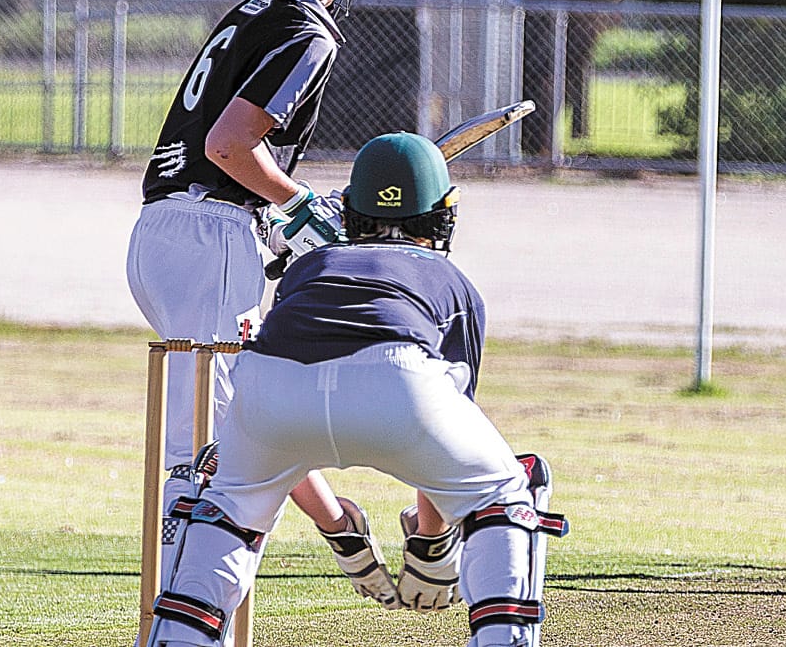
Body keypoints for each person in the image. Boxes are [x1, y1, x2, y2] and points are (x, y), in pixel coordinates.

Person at [141, 132, 567, 646]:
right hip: (398, 379)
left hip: (271, 386)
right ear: (442, 216)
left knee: (228, 508)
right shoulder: (452, 281)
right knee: (506, 492)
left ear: (349, 211)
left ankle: (177, 638)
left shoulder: (307, 269)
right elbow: (444, 433)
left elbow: (291, 423)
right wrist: (431, 546)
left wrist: (340, 530)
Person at [125, 0, 396, 603]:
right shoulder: (310, 30)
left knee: (249, 409)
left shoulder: (248, 12)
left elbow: (214, 148)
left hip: (168, 228)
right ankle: (180, 617)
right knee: (201, 455)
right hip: (206, 235)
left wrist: (272, 213)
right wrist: (298, 202)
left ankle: (338, 522)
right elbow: (228, 145)